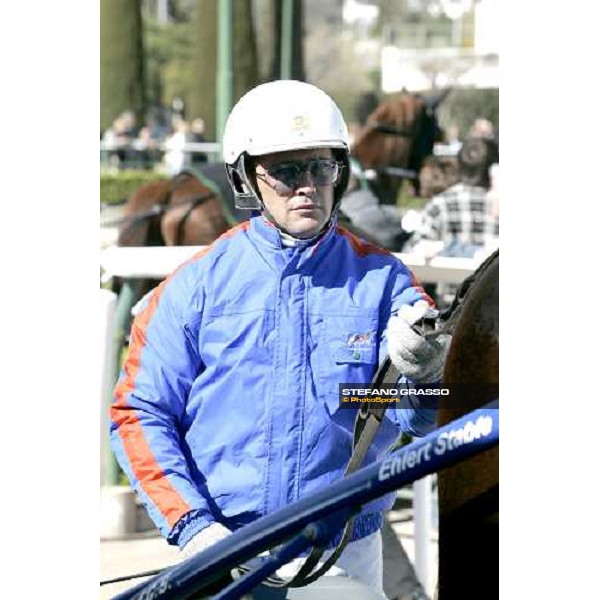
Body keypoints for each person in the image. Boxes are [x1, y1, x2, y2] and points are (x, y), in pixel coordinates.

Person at [110, 80, 449, 597]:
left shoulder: (386, 281)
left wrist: (426, 377)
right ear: (246, 178)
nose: (307, 185)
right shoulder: (194, 286)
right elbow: (140, 412)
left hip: (344, 556)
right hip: (221, 548)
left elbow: (407, 412)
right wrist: (192, 526)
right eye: (287, 171)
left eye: (321, 167)